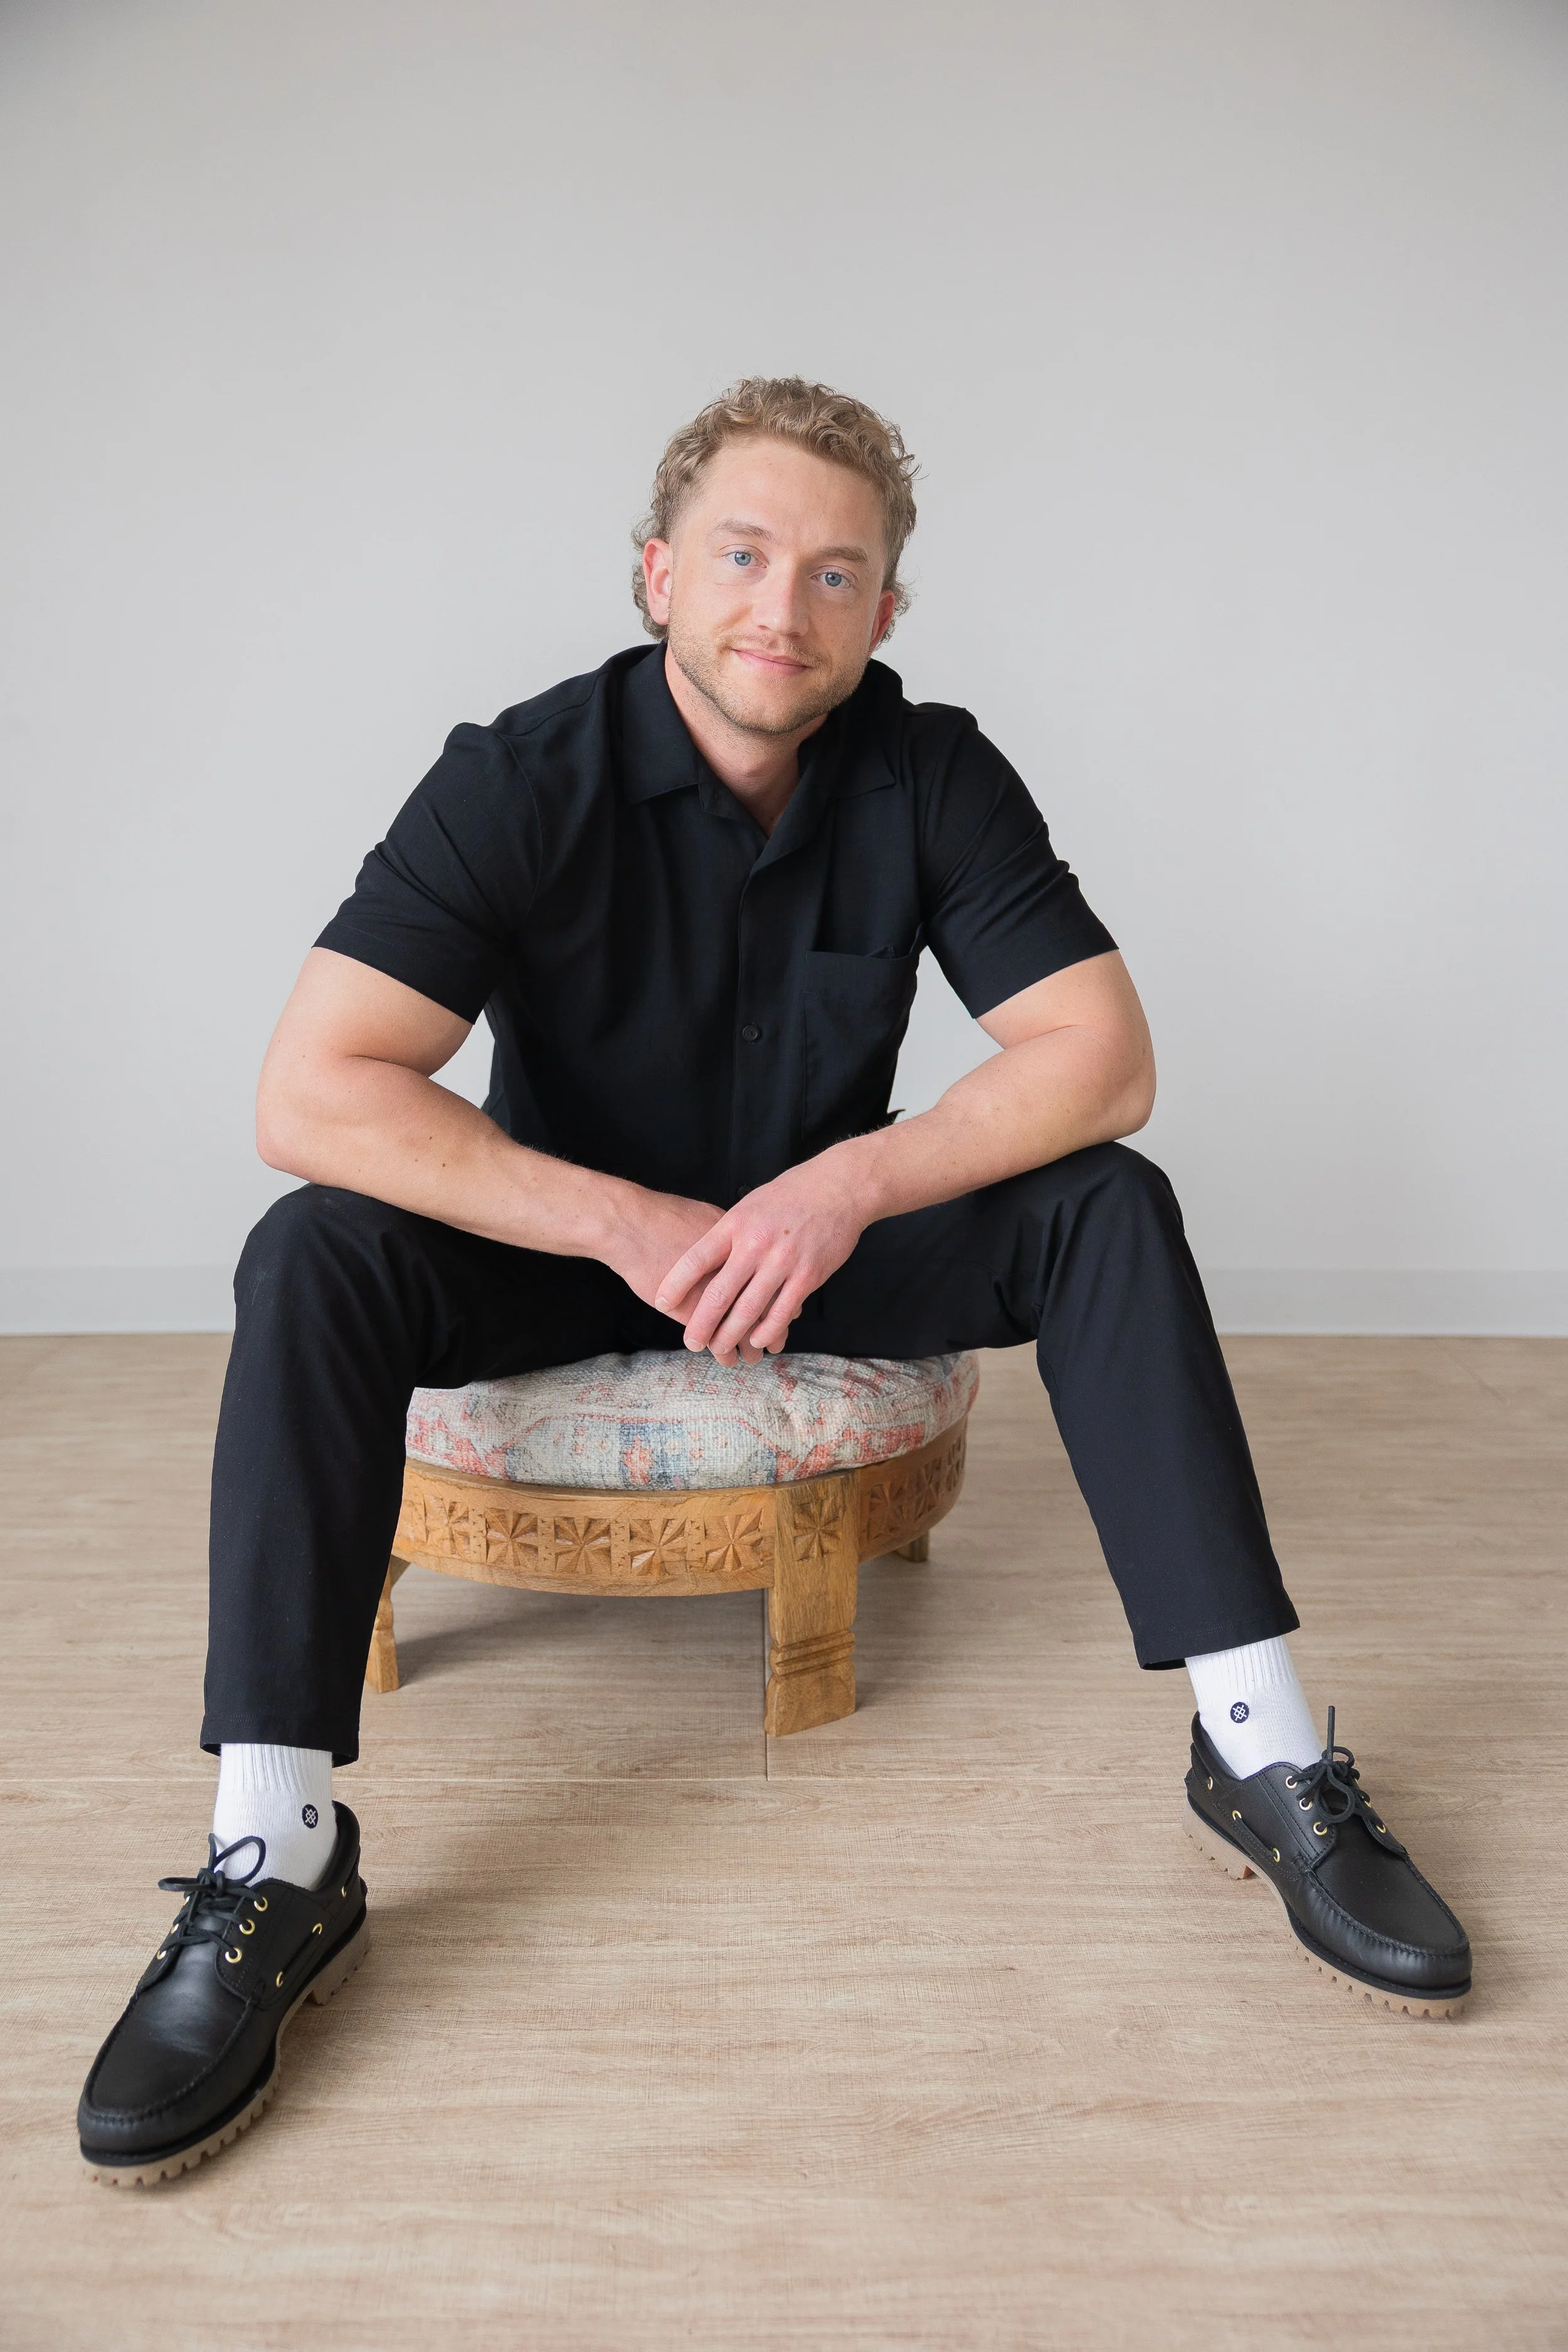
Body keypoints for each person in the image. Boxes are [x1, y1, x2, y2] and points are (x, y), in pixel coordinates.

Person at [78, 377, 1471, 2185]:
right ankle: (276, 1853)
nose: (780, 607)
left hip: (815, 1252)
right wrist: (614, 1220)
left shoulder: (933, 767)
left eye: (835, 573)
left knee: (1104, 1201)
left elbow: (1097, 1055)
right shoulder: (513, 775)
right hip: (566, 1257)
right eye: (740, 554)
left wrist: (846, 1183)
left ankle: (1261, 1751)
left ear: (883, 612)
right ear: (657, 571)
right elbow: (309, 1089)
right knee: (312, 1246)